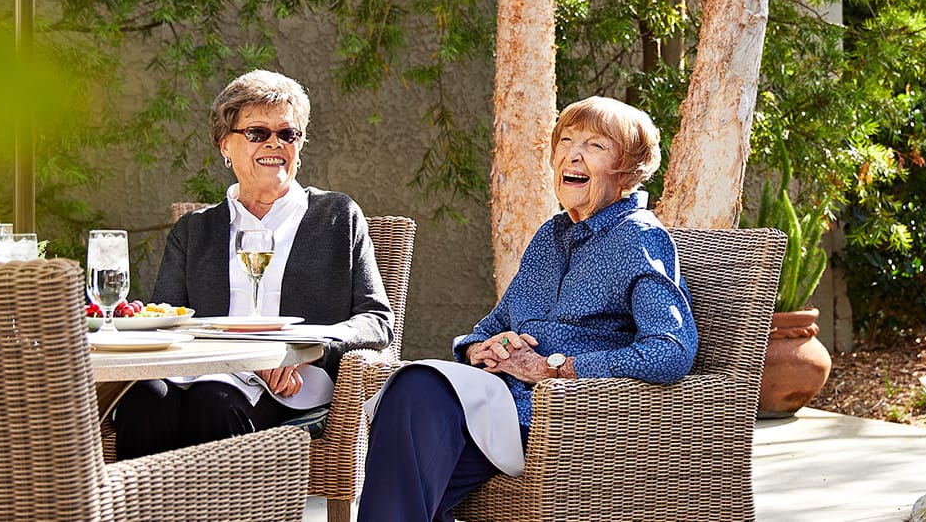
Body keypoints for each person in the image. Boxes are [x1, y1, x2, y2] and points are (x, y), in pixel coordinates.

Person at [358, 96, 698, 521]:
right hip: (499, 403)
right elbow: (495, 323)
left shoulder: (639, 238)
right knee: (413, 396)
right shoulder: (551, 235)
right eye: (567, 141)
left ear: (627, 169)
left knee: (416, 401)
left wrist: (558, 368)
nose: (572, 154)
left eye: (595, 146)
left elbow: (670, 351)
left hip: (561, 416)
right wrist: (480, 349)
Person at [109, 70, 393, 459]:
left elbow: (376, 320)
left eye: (287, 134)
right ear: (226, 145)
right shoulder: (195, 230)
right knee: (145, 397)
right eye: (258, 133)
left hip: (291, 382)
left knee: (212, 402)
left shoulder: (336, 216)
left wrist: (307, 347)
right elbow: (168, 319)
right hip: (203, 370)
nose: (274, 143)